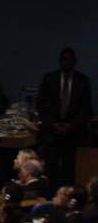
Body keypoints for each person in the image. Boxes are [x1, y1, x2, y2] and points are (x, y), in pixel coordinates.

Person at [34, 48, 91, 183]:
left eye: (70, 59)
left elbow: (86, 109)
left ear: (75, 62)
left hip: (73, 133)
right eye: (64, 59)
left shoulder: (83, 81)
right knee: (50, 170)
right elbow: (41, 106)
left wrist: (71, 125)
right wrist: (53, 124)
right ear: (60, 61)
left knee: (69, 171)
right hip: (51, 133)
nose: (67, 62)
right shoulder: (49, 79)